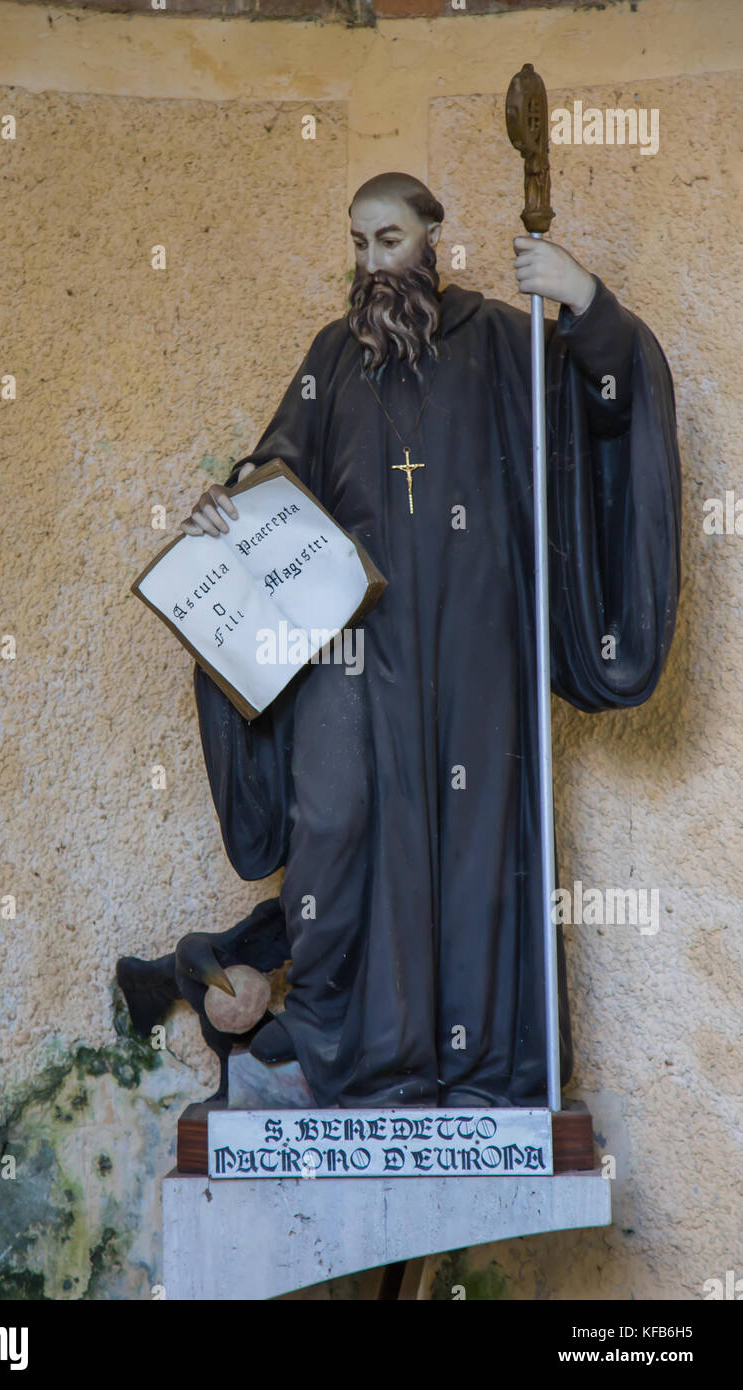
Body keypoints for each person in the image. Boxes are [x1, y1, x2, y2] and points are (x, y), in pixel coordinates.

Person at [180, 172, 681, 1108]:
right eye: (360, 242)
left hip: (476, 640)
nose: (373, 263)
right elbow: (279, 467)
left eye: (392, 240)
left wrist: (584, 302)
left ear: (432, 240)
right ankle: (344, 1036)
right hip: (352, 646)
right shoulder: (333, 353)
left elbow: (603, 406)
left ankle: (481, 1059)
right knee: (332, 820)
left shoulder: (496, 338)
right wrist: (229, 506)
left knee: (477, 837)